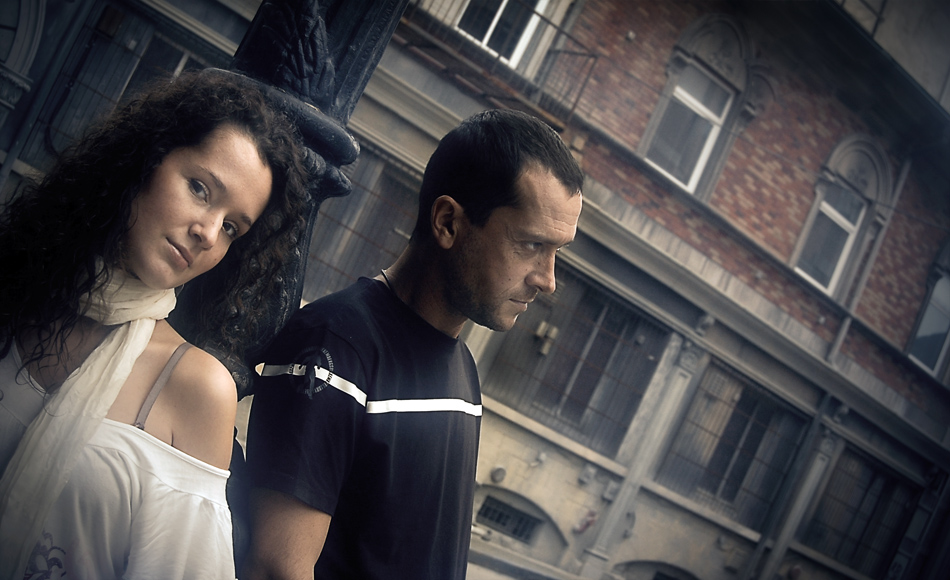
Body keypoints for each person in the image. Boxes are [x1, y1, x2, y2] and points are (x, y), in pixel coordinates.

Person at [241, 109, 585, 579]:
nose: (548, 280)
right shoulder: (335, 349)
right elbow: (275, 569)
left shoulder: (462, 365)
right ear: (447, 222)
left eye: (557, 252)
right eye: (531, 245)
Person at [0, 68, 309, 579]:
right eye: (200, 189)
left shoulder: (196, 386)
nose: (208, 233)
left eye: (232, 228)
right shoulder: (18, 290)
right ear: (145, 158)